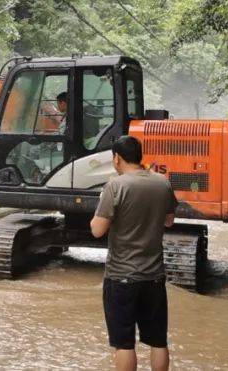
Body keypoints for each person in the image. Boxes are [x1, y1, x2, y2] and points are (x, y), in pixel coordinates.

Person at [90, 135, 177, 371]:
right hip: (154, 277)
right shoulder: (162, 183)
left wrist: (103, 201)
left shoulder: (115, 186)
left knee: (124, 344)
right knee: (158, 340)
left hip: (122, 277)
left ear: (117, 158)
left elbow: (97, 230)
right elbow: (169, 221)